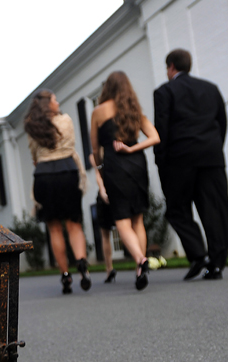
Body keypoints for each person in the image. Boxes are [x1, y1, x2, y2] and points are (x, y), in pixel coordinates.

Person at [153, 48, 228, 280]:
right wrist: (214, 147)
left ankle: (198, 254)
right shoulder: (211, 89)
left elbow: (161, 130)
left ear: (171, 67)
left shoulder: (164, 92)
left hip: (179, 160)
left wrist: (161, 162)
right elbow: (222, 122)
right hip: (211, 158)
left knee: (177, 209)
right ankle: (216, 264)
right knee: (215, 210)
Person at [90, 71, 160, 291]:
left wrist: (100, 166)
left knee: (122, 220)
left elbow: (94, 148)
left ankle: (140, 259)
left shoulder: (99, 112)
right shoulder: (134, 111)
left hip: (114, 166)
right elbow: (155, 137)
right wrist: (132, 148)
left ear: (107, 88)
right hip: (138, 165)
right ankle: (141, 266)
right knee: (137, 219)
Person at [25, 90, 91, 294]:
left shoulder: (33, 127)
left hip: (44, 175)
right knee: (74, 224)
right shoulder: (66, 121)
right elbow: (71, 147)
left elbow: (34, 157)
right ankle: (81, 264)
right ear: (48, 104)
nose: (58, 102)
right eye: (54, 99)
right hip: (68, 171)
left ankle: (65, 275)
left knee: (54, 228)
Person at [94, 191, 117, 283]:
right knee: (129, 227)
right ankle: (139, 266)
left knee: (105, 235)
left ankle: (109, 269)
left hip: (104, 194)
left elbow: (98, 177)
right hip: (121, 188)